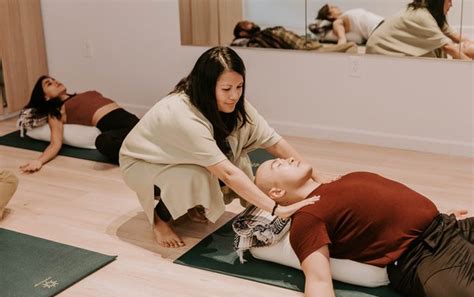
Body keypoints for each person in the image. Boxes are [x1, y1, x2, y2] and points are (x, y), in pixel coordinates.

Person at [119, 47, 320, 248]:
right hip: (144, 162)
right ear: (206, 87)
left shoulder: (237, 104)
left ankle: (192, 203)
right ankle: (159, 221)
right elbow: (227, 174)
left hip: (177, 155)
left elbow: (273, 141)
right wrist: (277, 209)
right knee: (198, 175)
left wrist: (319, 178)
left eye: (239, 87)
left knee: (234, 154)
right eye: (226, 89)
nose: (234, 95)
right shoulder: (182, 114)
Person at [254, 157, 473, 297]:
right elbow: (318, 281)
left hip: (448, 225)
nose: (289, 158)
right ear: (277, 193)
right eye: (278, 164)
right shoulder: (306, 219)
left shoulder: (343, 179)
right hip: (424, 257)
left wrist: (439, 215)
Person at [19, 76, 140, 173]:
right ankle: (141, 155)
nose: (55, 82)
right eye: (49, 84)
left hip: (133, 121)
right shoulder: (56, 111)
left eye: (54, 79)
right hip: (117, 130)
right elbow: (55, 143)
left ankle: (142, 151)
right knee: (103, 142)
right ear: (45, 97)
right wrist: (39, 161)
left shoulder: (82, 94)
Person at [366, 0, 473, 59]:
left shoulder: (435, 16)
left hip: (386, 47)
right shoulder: (422, 16)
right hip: (380, 51)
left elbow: (456, 37)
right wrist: (470, 65)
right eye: (449, 0)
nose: (451, 4)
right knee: (431, 58)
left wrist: (469, 44)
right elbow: (449, 48)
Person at [231, 21, 357, 54]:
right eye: (246, 24)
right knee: (351, 46)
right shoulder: (254, 42)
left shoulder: (263, 33)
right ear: (242, 33)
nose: (251, 23)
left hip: (310, 46)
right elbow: (237, 45)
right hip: (307, 51)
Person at [315, 4, 384, 44]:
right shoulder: (337, 22)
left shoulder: (345, 14)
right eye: (332, 8)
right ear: (330, 16)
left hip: (382, 24)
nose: (336, 6)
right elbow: (342, 39)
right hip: (378, 29)